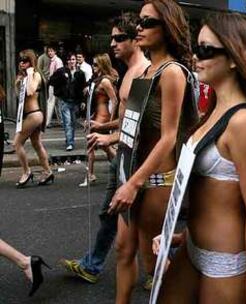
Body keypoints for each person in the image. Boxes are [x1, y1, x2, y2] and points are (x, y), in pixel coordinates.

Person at [157, 12, 246, 303]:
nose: (197, 56)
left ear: (235, 57)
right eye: (197, 48)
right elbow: (212, 195)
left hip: (225, 263)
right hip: (192, 245)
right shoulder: (213, 110)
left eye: (206, 49)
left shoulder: (244, 122)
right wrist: (180, 234)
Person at [107, 0, 198, 302]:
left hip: (156, 181)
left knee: (153, 262)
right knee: (123, 249)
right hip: (133, 174)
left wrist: (133, 183)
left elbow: (169, 137)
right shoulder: (147, 71)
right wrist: (111, 141)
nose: (138, 28)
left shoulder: (172, 72)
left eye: (147, 23)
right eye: (139, 22)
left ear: (168, 28)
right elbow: (133, 129)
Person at [61, 12, 151, 284]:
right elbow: (126, 118)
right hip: (124, 156)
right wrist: (103, 128)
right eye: (112, 39)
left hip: (134, 159)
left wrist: (107, 139)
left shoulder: (142, 73)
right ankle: (94, 265)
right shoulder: (128, 73)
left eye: (119, 38)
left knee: (141, 222)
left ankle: (160, 269)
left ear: (136, 39)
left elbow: (140, 125)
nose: (113, 44)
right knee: (116, 215)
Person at [14, 49, 54, 187]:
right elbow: (19, 96)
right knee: (37, 144)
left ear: (31, 61)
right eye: (20, 61)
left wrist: (30, 74)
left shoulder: (35, 74)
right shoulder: (25, 76)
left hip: (34, 114)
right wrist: (19, 81)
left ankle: (26, 172)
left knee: (17, 143)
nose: (21, 63)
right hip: (30, 115)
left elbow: (31, 91)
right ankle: (48, 171)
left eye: (25, 61)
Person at [79, 53, 118, 186]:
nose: (93, 67)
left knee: (95, 145)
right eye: (93, 64)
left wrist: (111, 122)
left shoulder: (105, 81)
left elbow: (115, 100)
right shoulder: (98, 80)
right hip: (97, 115)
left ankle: (90, 175)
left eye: (96, 64)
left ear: (102, 64)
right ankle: (115, 168)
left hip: (103, 117)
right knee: (102, 146)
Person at [49, 53, 87, 151]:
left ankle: (69, 140)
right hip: (65, 101)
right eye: (70, 60)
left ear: (76, 61)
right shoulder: (61, 71)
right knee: (67, 123)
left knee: (73, 122)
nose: (72, 61)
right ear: (67, 61)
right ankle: (70, 143)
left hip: (75, 101)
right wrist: (60, 91)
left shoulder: (80, 73)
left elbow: (82, 87)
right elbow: (52, 80)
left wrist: (83, 101)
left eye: (73, 59)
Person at [45, 44, 64, 127]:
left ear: (55, 51)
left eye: (51, 51)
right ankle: (62, 121)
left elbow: (60, 73)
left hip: (55, 84)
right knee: (56, 103)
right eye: (49, 51)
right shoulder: (53, 60)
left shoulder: (57, 61)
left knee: (51, 102)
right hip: (54, 84)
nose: (50, 53)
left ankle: (47, 122)